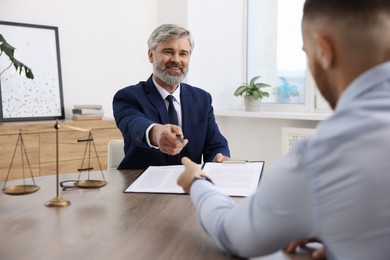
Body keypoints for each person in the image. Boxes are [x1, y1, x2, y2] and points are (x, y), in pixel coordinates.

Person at [177, 0, 390, 259]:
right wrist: (345, 229)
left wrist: (197, 182)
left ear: (324, 50)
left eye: (306, 52)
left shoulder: (330, 149)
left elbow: (233, 233)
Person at [113, 24, 230, 169]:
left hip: (188, 185)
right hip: (140, 185)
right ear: (151, 55)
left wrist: (219, 157)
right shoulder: (128, 96)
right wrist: (156, 133)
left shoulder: (202, 98)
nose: (176, 60)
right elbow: (134, 125)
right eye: (168, 52)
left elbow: (215, 144)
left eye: (183, 53)